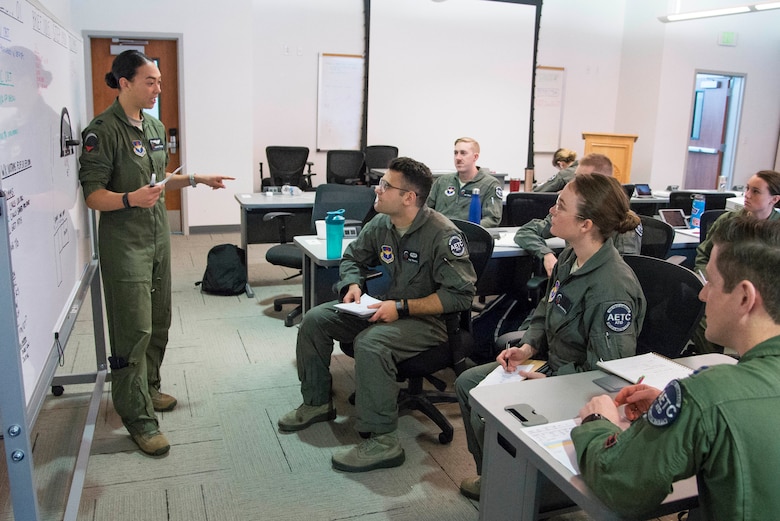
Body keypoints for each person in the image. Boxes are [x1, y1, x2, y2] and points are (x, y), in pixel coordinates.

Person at [572, 216, 780, 520]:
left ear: (745, 297)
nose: (702, 294)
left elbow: (620, 483)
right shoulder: (711, 399)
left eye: (711, 282)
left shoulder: (708, 393)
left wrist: (596, 421)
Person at [78, 50, 234, 456]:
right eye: (150, 81)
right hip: (125, 242)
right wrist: (130, 199)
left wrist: (196, 178)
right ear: (124, 82)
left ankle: (149, 388)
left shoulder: (152, 125)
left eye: (160, 81)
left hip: (157, 238)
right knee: (134, 329)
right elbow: (94, 196)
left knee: (160, 321)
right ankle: (137, 416)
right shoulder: (102, 131)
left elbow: (157, 180)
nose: (158, 89)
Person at [278, 157, 477, 472]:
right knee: (315, 319)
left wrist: (401, 308)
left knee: (371, 343)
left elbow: (461, 296)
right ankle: (316, 402)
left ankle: (384, 441)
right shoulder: (383, 223)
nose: (378, 189)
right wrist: (352, 283)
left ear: (408, 198)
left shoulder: (442, 235)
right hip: (387, 306)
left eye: (386, 185)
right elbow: (353, 256)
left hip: (429, 323)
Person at [455, 173, 646, 500]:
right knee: (469, 383)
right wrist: (528, 346)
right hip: (552, 366)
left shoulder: (611, 288)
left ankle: (518, 491)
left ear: (585, 224)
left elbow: (607, 372)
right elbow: (547, 306)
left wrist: (549, 381)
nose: (551, 211)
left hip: (579, 383)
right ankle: (494, 477)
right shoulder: (572, 256)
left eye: (560, 205)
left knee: (493, 410)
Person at [690, 169, 780, 353]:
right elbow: (703, 254)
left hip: (764, 297)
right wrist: (711, 281)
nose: (747, 195)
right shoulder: (729, 221)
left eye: (756, 191)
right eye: (747, 189)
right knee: (705, 319)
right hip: (724, 287)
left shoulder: (776, 229)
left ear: (774, 199)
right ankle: (713, 362)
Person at [514, 153, 641, 277]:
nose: (573, 184)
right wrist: (546, 254)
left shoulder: (624, 225)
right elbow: (526, 232)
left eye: (581, 180)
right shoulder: (572, 212)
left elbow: (622, 275)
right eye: (575, 177)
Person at [426, 137, 503, 227]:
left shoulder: (490, 184)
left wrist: (468, 230)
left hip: (470, 237)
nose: (458, 158)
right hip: (440, 235)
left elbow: (492, 219)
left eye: (463, 153)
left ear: (475, 157)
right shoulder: (442, 182)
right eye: (456, 153)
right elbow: (426, 210)